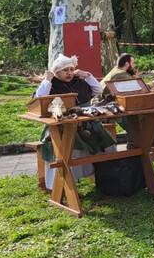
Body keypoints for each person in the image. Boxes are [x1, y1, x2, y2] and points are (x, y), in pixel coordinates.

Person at [34, 54, 116, 189]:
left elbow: (97, 90)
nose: (69, 73)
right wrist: (47, 80)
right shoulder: (52, 85)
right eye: (65, 70)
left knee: (106, 142)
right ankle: (64, 186)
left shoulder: (80, 82)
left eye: (71, 69)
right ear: (57, 72)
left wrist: (88, 76)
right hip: (61, 126)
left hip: (86, 123)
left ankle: (106, 178)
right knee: (70, 148)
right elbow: (40, 97)